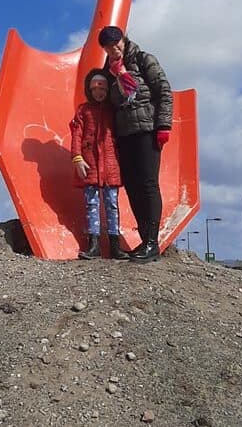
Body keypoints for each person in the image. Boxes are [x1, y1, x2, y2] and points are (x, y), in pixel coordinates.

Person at [98, 25, 172, 263]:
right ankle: (145, 240)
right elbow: (107, 103)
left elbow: (164, 91)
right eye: (108, 48)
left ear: (123, 40)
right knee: (131, 186)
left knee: (148, 184)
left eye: (116, 44)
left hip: (147, 130)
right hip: (124, 134)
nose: (113, 50)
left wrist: (163, 126)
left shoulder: (143, 59)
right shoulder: (108, 71)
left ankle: (152, 243)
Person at [70, 69, 129, 260]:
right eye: (95, 89)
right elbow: (76, 134)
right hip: (90, 163)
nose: (98, 93)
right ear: (89, 90)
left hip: (111, 165)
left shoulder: (114, 111)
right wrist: (77, 157)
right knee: (91, 203)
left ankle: (115, 245)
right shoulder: (83, 111)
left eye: (102, 89)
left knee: (112, 203)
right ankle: (93, 245)